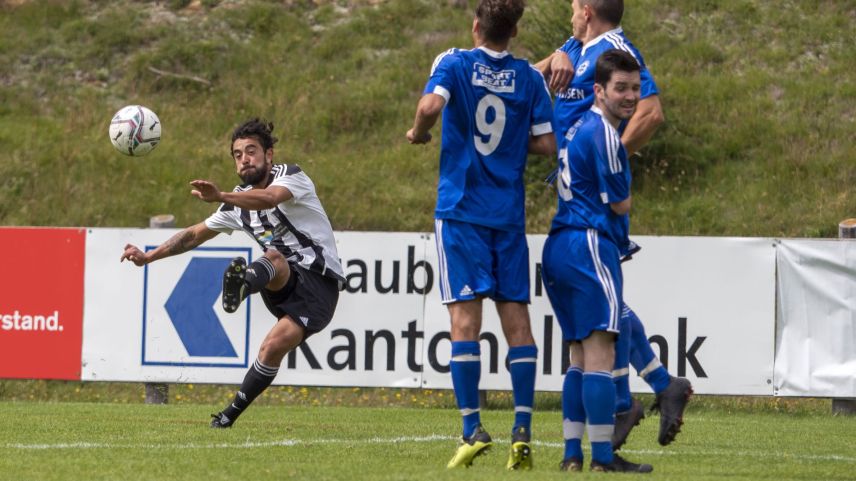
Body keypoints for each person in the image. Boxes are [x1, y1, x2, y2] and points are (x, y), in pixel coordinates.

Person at [535, 0, 692, 452]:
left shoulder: (617, 48)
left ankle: (627, 401)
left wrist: (608, 158)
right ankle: (660, 385)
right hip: (576, 195)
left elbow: (651, 111)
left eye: (571, 6)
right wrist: (555, 58)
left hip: (595, 200)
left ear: (586, 9)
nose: (569, 14)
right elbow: (529, 71)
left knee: (602, 309)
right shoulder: (575, 46)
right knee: (606, 304)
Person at [406, 0, 556, 470]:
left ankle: (472, 428)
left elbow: (430, 105)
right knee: (519, 327)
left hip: (462, 213)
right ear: (514, 31)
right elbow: (549, 143)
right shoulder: (530, 78)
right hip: (507, 216)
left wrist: (419, 132)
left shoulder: (454, 62)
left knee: (464, 326)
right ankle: (522, 432)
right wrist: (512, 143)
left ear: (476, 27)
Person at [121, 118, 344, 428]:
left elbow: (269, 198)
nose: (244, 159)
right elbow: (194, 234)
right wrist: (149, 257)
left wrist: (222, 196)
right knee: (276, 257)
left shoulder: (291, 176)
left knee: (271, 348)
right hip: (278, 278)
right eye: (237, 155)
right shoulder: (236, 204)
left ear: (269, 154)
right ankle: (243, 287)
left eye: (251, 151)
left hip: (319, 285)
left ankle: (228, 415)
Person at [541, 48, 653, 473]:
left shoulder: (578, 127)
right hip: (589, 245)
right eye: (620, 88)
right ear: (598, 90)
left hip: (560, 244)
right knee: (600, 356)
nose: (629, 97)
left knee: (578, 358)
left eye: (635, 88)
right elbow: (621, 204)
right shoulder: (606, 134)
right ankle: (604, 459)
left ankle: (572, 455)